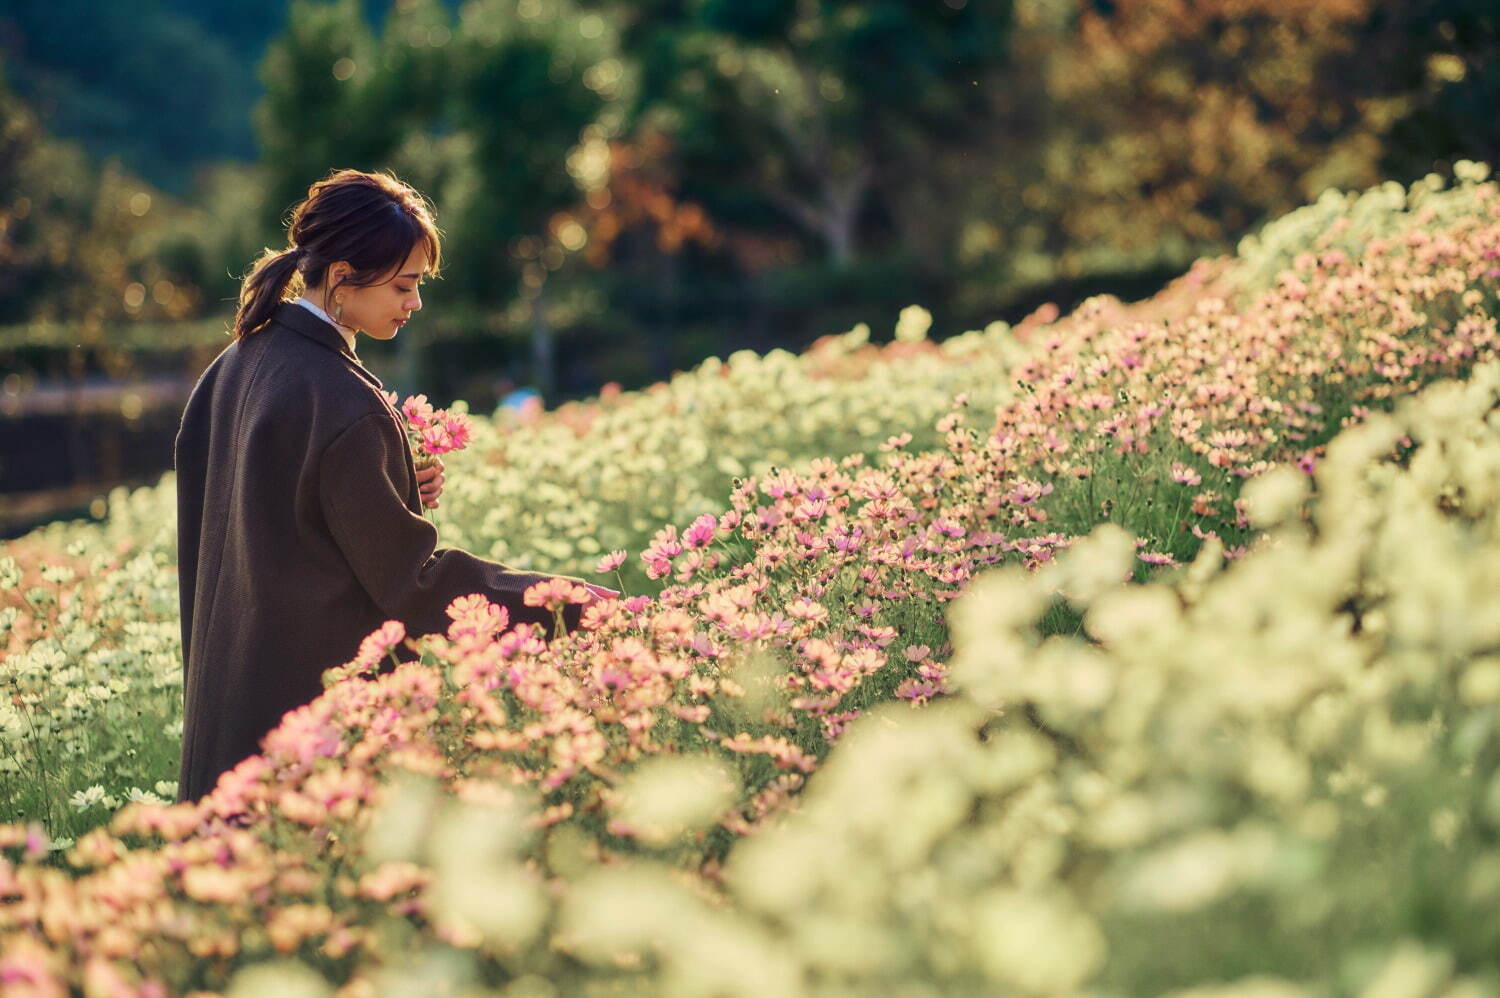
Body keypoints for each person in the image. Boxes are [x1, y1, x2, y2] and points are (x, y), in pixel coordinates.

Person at [173, 168, 616, 805]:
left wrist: (393, 482)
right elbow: (414, 584)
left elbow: (275, 516)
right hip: (315, 741)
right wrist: (563, 602)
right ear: (345, 275)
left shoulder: (235, 364)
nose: (415, 304)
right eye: (404, 286)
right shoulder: (342, 399)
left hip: (230, 717)